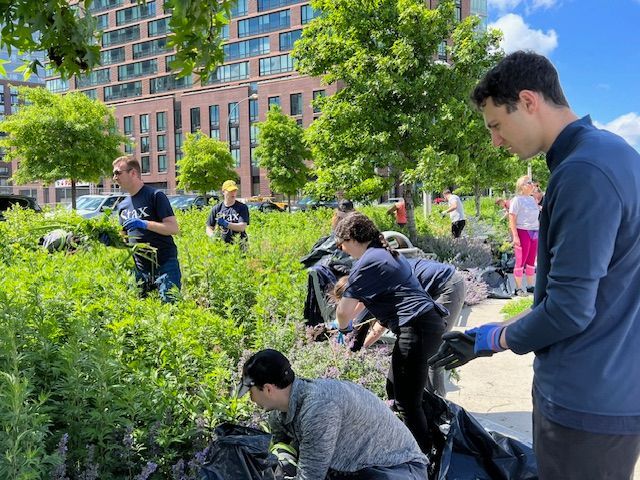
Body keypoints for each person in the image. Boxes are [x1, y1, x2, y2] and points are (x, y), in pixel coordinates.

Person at [432, 50, 640, 479]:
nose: (495, 141)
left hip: (585, 401)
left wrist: (488, 338)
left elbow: (568, 309)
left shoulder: (584, 170)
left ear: (528, 101)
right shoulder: (613, 153)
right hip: (611, 386)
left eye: (495, 125)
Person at [334, 212, 445, 452]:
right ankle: (430, 443)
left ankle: (421, 459)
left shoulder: (367, 262)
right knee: (395, 390)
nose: (342, 249)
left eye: (341, 243)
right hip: (424, 324)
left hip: (417, 328)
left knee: (406, 403)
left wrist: (345, 329)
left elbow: (344, 310)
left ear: (352, 238)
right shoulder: (384, 253)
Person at [237, 349, 429, 480]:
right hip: (357, 469)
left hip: (399, 469)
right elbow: (280, 454)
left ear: (268, 389)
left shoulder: (319, 408)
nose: (250, 399)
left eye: (250, 392)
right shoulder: (280, 414)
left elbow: (310, 477)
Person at [335, 257, 466, 398]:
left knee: (432, 349)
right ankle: (418, 402)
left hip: (446, 285)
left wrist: (354, 351)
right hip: (432, 286)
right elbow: (381, 325)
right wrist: (362, 348)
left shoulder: (372, 288)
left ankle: (438, 406)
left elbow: (369, 327)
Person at [113, 156, 181, 303]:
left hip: (164, 264)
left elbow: (173, 228)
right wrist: (109, 240)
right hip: (140, 269)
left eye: (118, 173)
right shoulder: (122, 206)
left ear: (133, 173)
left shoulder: (155, 196)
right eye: (113, 174)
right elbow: (124, 239)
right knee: (144, 313)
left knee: (170, 310)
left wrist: (145, 224)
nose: (114, 178)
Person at [509, 175, 540, 296]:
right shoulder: (517, 200)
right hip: (523, 231)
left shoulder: (532, 199)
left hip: (534, 231)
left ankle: (530, 285)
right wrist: (515, 236)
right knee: (521, 260)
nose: (532, 184)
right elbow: (512, 218)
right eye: (529, 183)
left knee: (531, 260)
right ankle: (518, 288)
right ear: (522, 186)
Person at [206, 180, 249, 248]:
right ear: (223, 192)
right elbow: (209, 227)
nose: (233, 193)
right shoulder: (217, 209)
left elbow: (242, 227)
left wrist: (226, 223)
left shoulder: (242, 207)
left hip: (239, 246)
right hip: (222, 247)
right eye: (230, 191)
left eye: (235, 190)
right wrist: (213, 236)